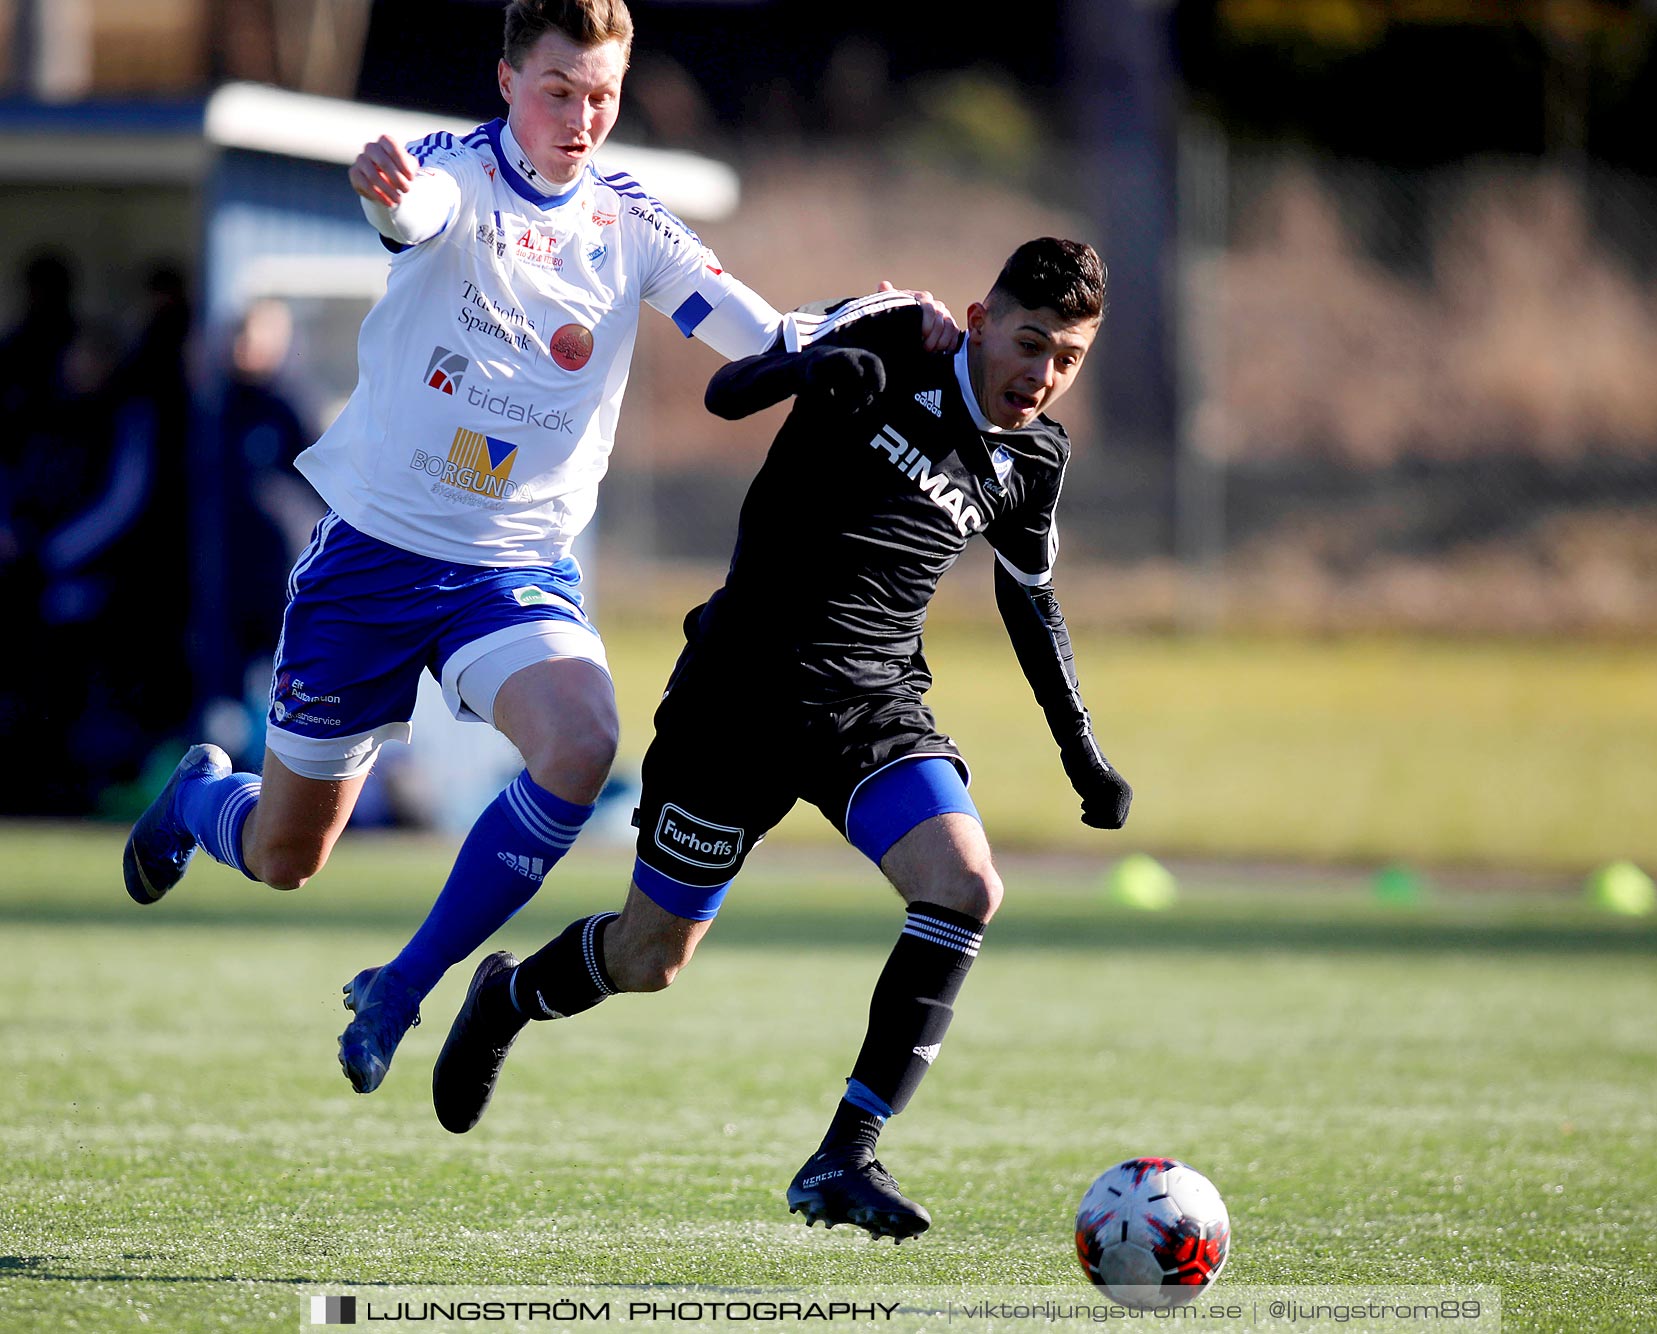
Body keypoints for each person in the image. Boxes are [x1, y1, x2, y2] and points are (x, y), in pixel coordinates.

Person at [121, 0, 956, 1097]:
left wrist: (889, 314)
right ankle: (196, 799)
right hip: (371, 557)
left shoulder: (630, 223)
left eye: (602, 95)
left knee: (580, 743)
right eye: (559, 90)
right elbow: (411, 207)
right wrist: (388, 191)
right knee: (286, 856)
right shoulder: (450, 171)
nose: (581, 116)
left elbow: (757, 340)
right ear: (509, 79)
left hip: (509, 573)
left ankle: (404, 983)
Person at [431, 237, 1132, 1241]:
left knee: (967, 884)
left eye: (1069, 358)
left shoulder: (1034, 459)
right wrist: (814, 366)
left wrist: (1081, 749)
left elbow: (1032, 601)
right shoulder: (899, 333)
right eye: (1031, 343)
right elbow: (729, 391)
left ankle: (846, 1149)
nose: (1044, 373)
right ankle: (507, 997)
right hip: (738, 699)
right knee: (648, 958)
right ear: (980, 320)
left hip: (870, 709)